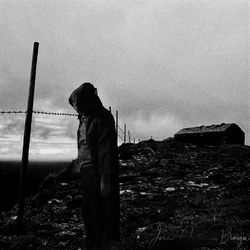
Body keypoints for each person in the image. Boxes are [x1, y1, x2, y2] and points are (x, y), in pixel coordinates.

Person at [69, 82, 120, 250]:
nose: (75, 107)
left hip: (98, 173)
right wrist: (78, 165)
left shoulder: (102, 117)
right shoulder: (85, 118)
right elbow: (83, 144)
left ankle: (103, 244)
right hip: (86, 173)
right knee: (88, 211)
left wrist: (105, 179)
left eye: (77, 103)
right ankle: (92, 242)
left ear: (86, 100)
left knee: (101, 212)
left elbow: (106, 150)